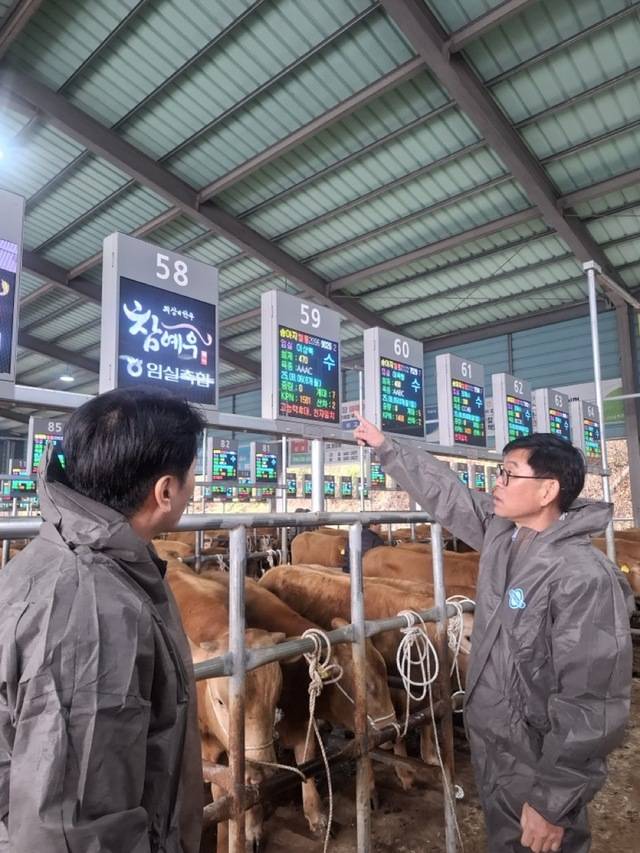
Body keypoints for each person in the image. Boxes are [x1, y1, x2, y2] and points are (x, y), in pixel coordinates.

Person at [354, 414, 633, 853]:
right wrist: (387, 447)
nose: (497, 483)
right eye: (498, 472)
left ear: (548, 490)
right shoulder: (504, 536)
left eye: (509, 474)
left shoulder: (583, 577)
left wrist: (553, 801)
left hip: (539, 758)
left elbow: (591, 702)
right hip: (496, 746)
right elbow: (449, 496)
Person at [0, 388, 207, 853]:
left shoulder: (58, 555)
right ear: (166, 491)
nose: (196, 486)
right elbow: (73, 831)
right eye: (194, 473)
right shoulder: (90, 610)